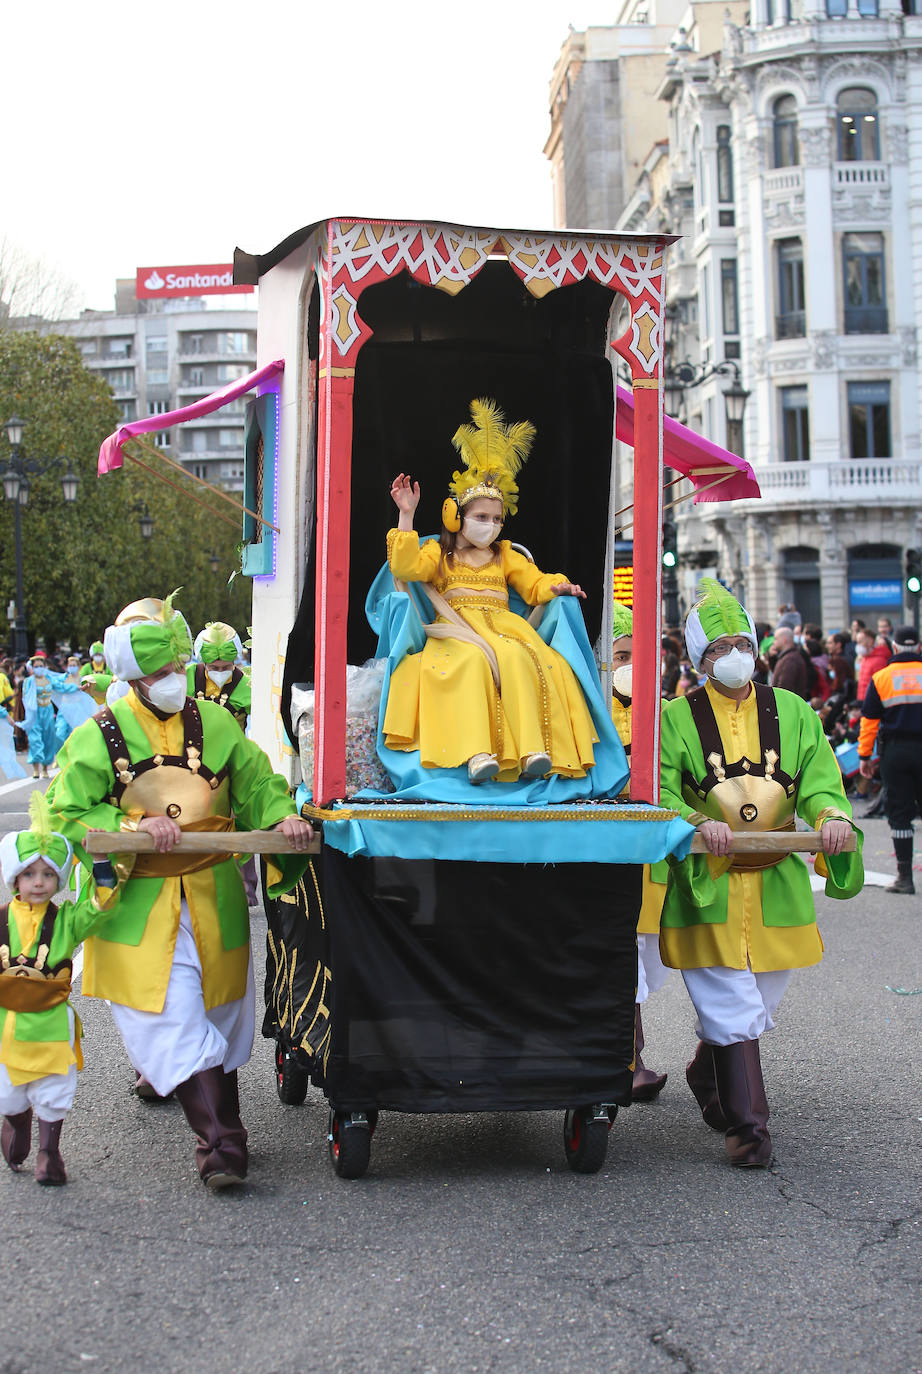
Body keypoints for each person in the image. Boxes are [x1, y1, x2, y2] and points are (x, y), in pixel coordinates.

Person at [47, 593, 314, 1189]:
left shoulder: (216, 722)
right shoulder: (100, 734)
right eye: (156, 674)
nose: (170, 681)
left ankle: (223, 1129)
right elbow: (63, 812)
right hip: (137, 907)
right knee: (171, 1020)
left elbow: (257, 780)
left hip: (213, 897)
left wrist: (280, 820)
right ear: (131, 677)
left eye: (174, 669)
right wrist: (131, 827)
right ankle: (221, 1145)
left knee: (217, 1022)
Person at [659, 579, 863, 1169]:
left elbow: (823, 778)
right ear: (700, 659)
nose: (734, 654)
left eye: (741, 642)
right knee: (730, 1002)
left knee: (758, 1005)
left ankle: (708, 1070)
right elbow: (660, 791)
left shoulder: (794, 711)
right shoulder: (675, 717)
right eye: (719, 645)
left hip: (776, 883)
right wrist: (695, 820)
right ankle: (750, 1132)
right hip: (709, 882)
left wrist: (830, 815)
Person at [384, 397, 596, 784]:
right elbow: (404, 567)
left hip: (504, 629)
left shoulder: (505, 554)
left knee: (522, 658)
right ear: (457, 517)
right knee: (468, 663)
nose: (491, 525)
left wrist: (557, 584)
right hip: (454, 631)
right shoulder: (438, 552)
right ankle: (477, 755)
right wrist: (407, 513)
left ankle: (533, 750)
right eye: (481, 517)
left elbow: (533, 584)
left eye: (497, 518)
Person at [0, 792, 120, 1185]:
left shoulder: (67, 918)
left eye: (48, 874)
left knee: (54, 1090)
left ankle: (50, 1153)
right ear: (14, 878)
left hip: (52, 1024)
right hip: (7, 1027)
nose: (39, 882)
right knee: (9, 1095)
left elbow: (102, 905)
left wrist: (101, 862)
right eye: (30, 874)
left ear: (60, 879)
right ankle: (17, 1124)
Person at [609, 601, 668, 1100]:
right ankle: (629, 1060)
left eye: (636, 654)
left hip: (651, 857)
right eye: (619, 654)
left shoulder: (665, 713)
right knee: (619, 956)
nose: (629, 665)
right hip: (605, 849)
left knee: (641, 962)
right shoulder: (581, 709)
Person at [858, 625, 922, 895]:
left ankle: (905, 878)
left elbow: (869, 721)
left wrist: (864, 756)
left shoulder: (882, 678)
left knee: (899, 814)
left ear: (894, 648)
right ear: (918, 647)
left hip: (896, 753)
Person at [187, 622, 251, 731]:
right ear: (204, 663)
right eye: (214, 668)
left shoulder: (246, 684)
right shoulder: (188, 676)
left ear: (234, 662)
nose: (220, 672)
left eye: (226, 667)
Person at [20, 652, 59, 778]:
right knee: (35, 739)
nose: (39, 668)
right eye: (36, 666)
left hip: (47, 710)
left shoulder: (49, 679)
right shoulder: (28, 681)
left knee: (48, 738)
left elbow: (61, 687)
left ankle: (45, 768)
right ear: (32, 668)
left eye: (41, 665)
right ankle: (35, 768)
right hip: (34, 712)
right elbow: (25, 697)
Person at [768, 626, 810, 699]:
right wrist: (771, 658)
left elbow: (784, 688)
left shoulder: (790, 660)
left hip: (788, 705)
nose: (773, 642)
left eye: (776, 639)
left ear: (784, 640)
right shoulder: (787, 657)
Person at [856, 628, 892, 706]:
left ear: (870, 641)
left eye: (860, 641)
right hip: (863, 701)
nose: (858, 645)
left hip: (872, 702)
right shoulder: (865, 658)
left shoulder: (879, 660)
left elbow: (881, 685)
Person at [79, 641, 113, 707]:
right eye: (96, 655)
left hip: (105, 695)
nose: (98, 657)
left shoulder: (108, 667)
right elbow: (80, 678)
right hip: (89, 697)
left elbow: (113, 678)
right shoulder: (87, 667)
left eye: (99, 655)